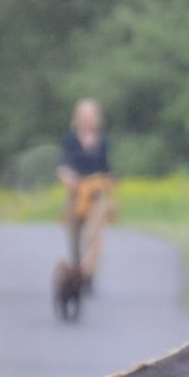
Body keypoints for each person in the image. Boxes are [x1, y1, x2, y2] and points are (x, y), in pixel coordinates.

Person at [57, 98, 115, 289]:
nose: (87, 120)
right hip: (75, 193)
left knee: (93, 237)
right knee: (73, 236)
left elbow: (107, 171)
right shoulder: (70, 140)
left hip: (95, 195)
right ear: (78, 118)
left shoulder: (102, 142)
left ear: (96, 118)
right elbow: (63, 166)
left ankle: (89, 275)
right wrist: (66, 176)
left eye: (90, 116)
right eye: (83, 116)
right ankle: (76, 271)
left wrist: (113, 199)